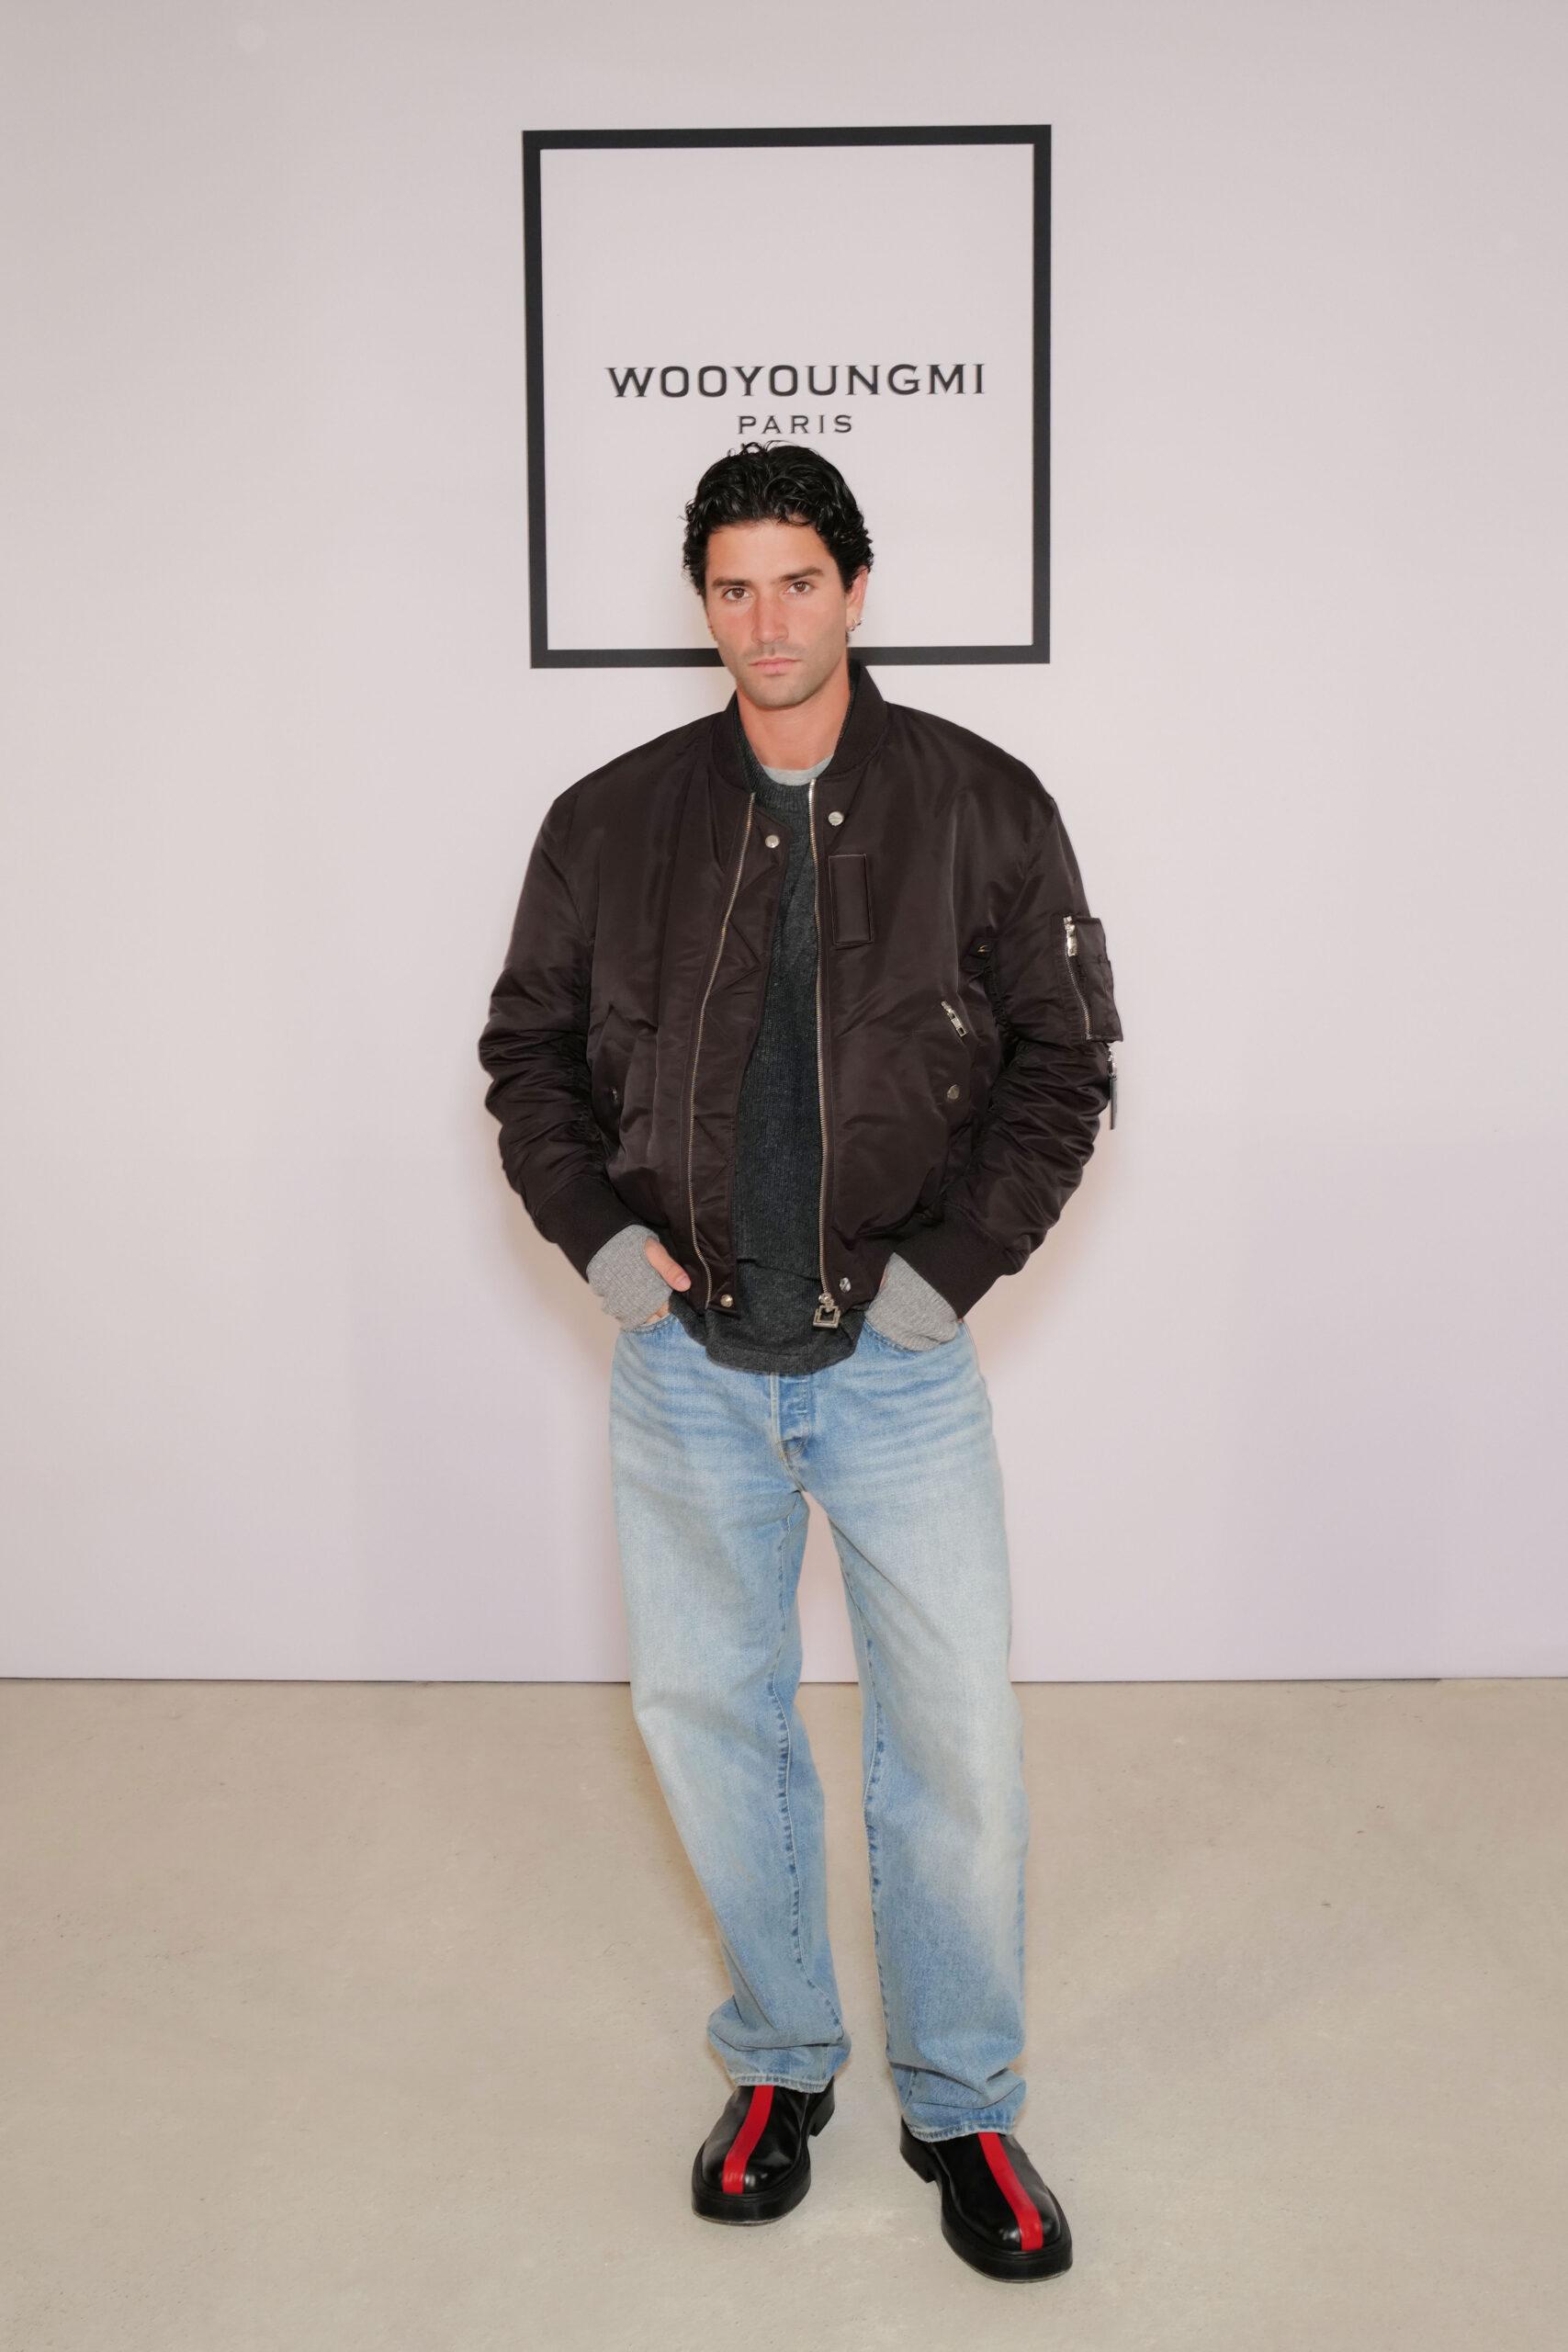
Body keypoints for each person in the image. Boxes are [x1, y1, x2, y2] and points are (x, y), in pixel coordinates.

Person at [479, 444, 1120, 2282]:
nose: (766, 621)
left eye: (797, 582)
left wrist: (944, 1277)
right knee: (709, 1721)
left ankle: (962, 2100)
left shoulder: (982, 805)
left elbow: (1063, 1063)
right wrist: (606, 1249)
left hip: (894, 1370)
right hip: (685, 1366)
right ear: (703, 601)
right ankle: (778, 2062)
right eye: (732, 587)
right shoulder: (607, 821)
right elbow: (527, 1056)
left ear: (853, 587)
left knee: (956, 1745)